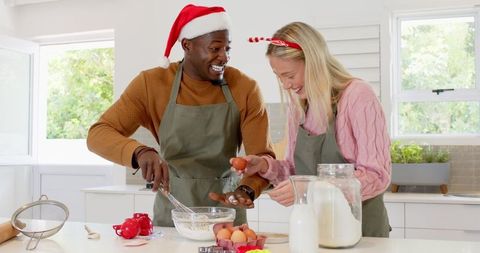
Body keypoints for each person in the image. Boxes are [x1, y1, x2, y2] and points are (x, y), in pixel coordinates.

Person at [87, 4, 274, 227]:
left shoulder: (245, 88)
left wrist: (247, 189)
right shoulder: (152, 84)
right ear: (187, 45)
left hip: (226, 216)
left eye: (227, 48)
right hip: (173, 215)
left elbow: (263, 159)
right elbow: (98, 134)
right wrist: (139, 152)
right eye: (215, 49)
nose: (224, 57)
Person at [237, 22, 391, 237]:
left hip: (361, 231)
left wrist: (310, 189)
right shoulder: (298, 107)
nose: (285, 85)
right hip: (315, 231)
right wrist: (264, 166)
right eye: (278, 76)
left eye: (289, 75)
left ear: (314, 62)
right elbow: (293, 171)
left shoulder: (357, 95)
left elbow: (377, 177)